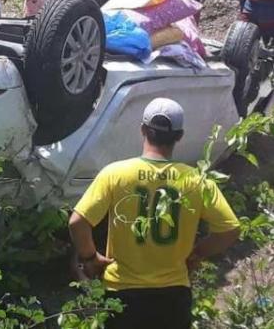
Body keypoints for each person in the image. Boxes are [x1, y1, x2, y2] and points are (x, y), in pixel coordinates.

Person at [69, 98, 240, 329]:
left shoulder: (115, 174)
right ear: (179, 136)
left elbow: (78, 222)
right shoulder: (195, 180)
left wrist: (91, 258)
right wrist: (197, 253)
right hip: (173, 296)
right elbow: (229, 230)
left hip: (122, 294)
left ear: (142, 130)